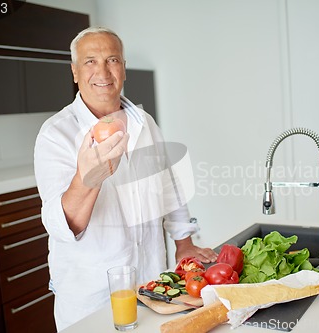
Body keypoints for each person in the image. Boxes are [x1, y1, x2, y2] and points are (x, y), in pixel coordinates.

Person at [34, 26, 217, 331]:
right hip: (92, 296)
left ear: (124, 69)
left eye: (113, 60)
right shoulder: (56, 134)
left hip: (151, 283)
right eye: (90, 61)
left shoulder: (143, 122)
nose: (102, 71)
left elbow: (168, 185)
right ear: (75, 72)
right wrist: (88, 178)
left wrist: (183, 243)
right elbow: (63, 227)